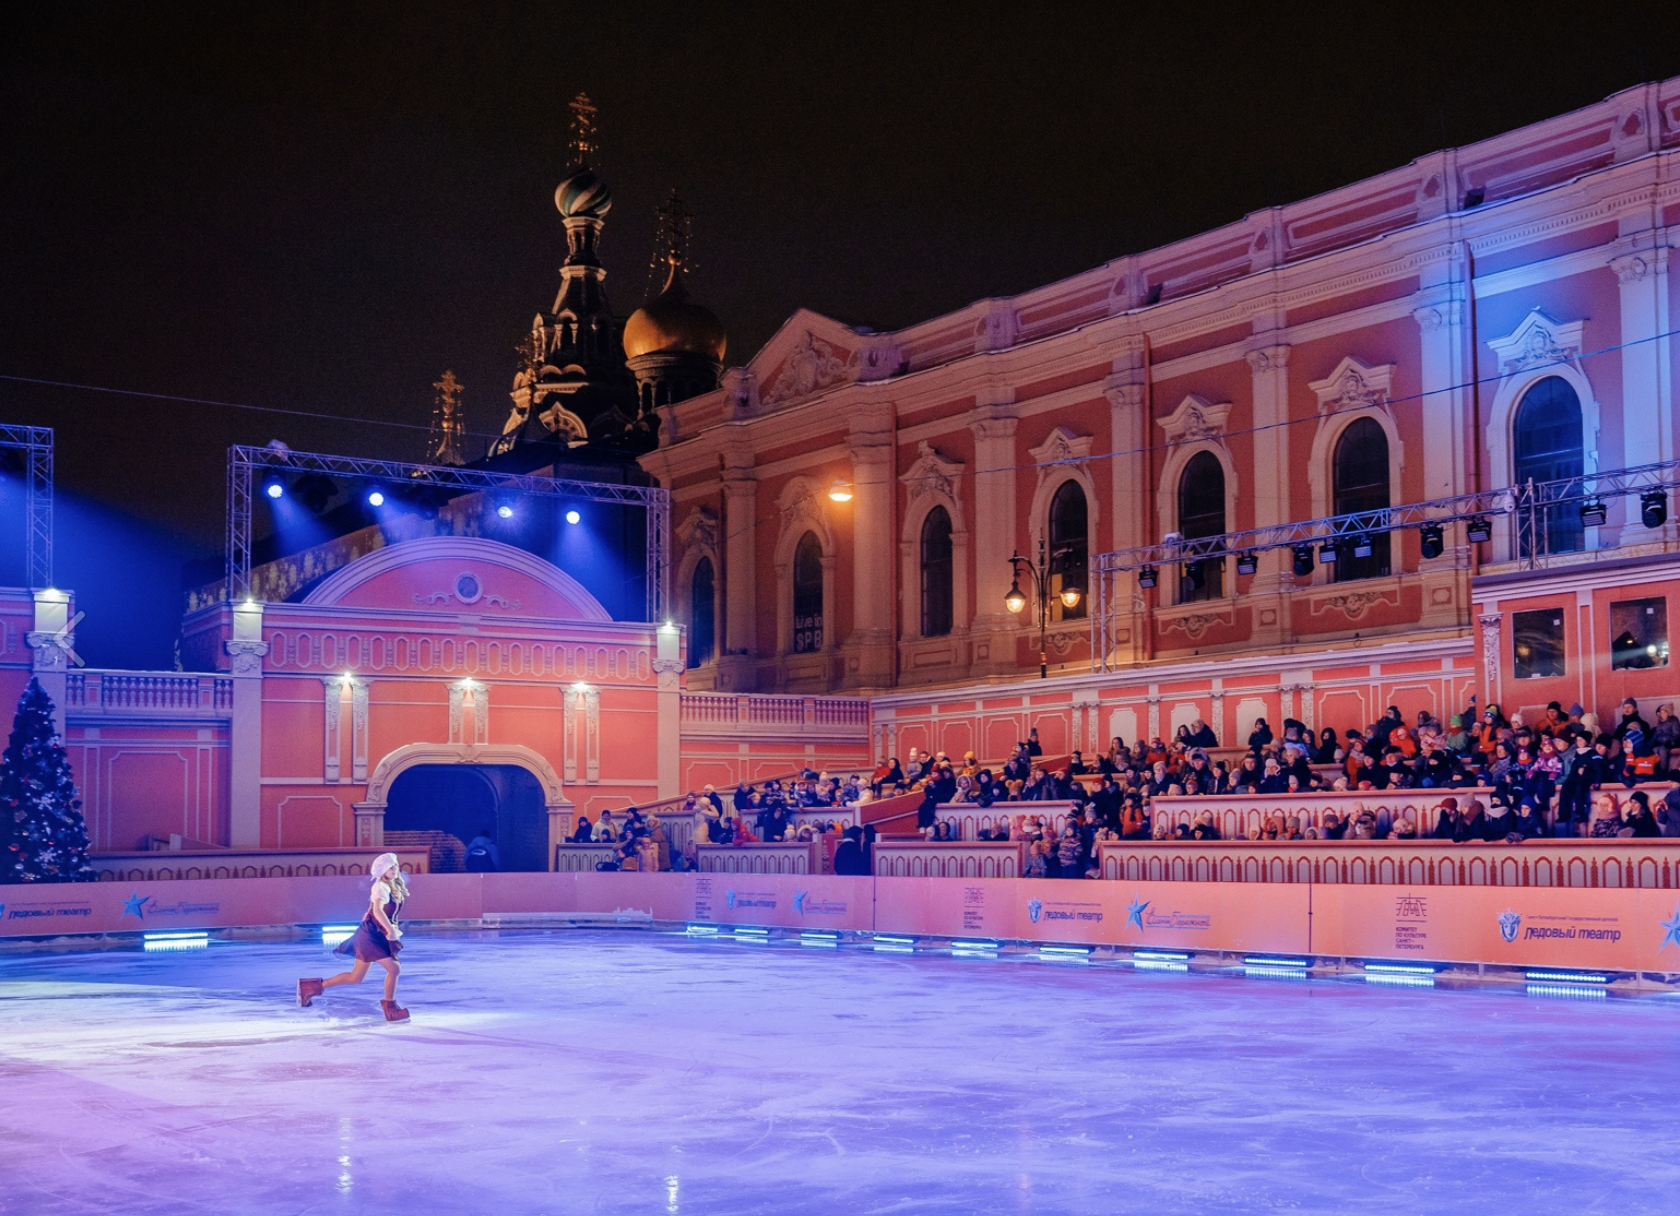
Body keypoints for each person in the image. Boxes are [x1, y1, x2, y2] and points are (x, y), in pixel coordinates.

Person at [297, 852, 410, 1022]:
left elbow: (373, 907)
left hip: (374, 934)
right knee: (394, 968)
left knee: (356, 977)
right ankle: (390, 1008)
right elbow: (378, 910)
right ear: (382, 871)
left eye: (395, 866)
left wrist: (373, 917)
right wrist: (389, 929)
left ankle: (310, 987)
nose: (394, 869)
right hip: (371, 936)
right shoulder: (381, 886)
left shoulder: (391, 886)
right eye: (390, 867)